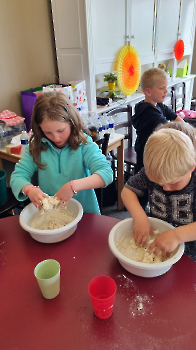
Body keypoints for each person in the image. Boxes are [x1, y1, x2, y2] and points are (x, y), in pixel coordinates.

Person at [10, 92, 113, 215]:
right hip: (52, 214)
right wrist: (28, 189)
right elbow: (17, 176)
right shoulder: (36, 147)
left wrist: (73, 186)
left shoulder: (84, 144)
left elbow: (106, 173)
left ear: (72, 122)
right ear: (39, 128)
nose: (56, 138)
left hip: (86, 213)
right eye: (48, 132)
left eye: (60, 130)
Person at [121, 128, 196, 260]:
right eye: (159, 183)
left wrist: (176, 235)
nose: (165, 188)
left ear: (191, 168)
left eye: (173, 183)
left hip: (189, 255)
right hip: (154, 241)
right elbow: (127, 191)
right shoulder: (153, 172)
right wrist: (140, 216)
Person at [132, 67, 184, 171]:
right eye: (161, 88)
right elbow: (169, 128)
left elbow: (175, 117)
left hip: (155, 151)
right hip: (147, 154)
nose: (166, 91)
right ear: (148, 92)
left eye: (166, 87)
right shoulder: (148, 112)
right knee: (148, 183)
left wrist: (187, 129)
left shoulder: (158, 104)